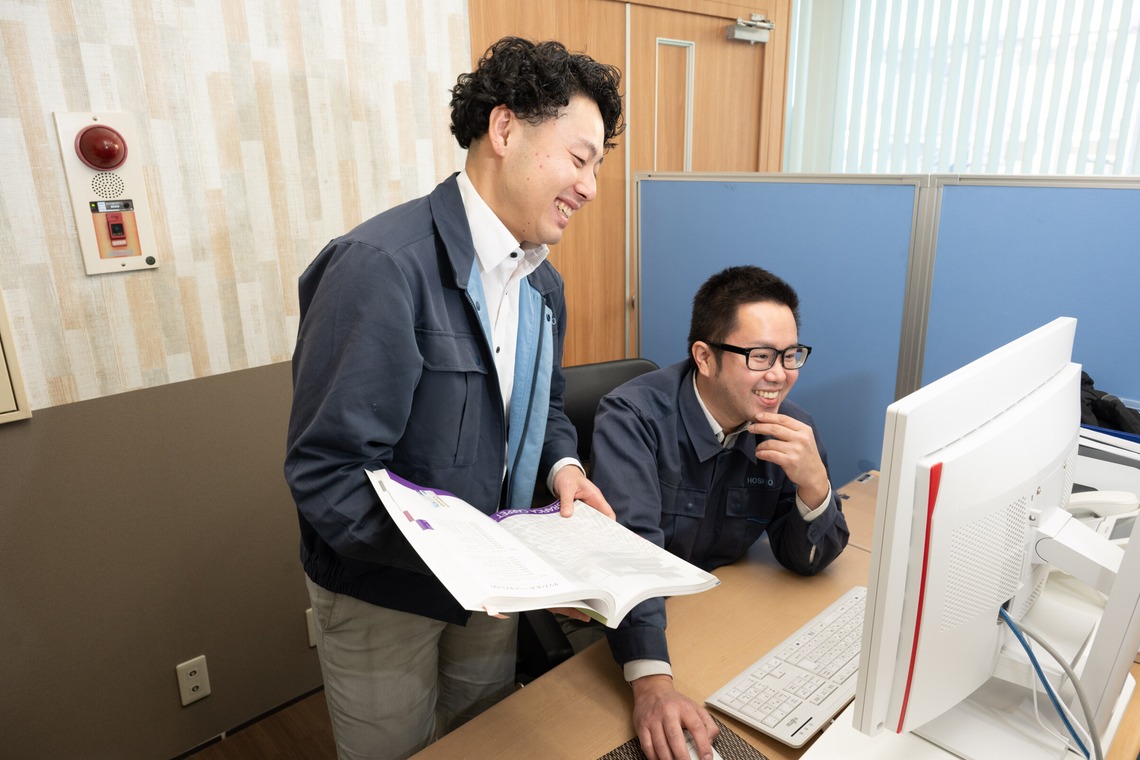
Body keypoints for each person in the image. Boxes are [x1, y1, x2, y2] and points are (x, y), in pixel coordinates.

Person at [284, 37, 624, 760]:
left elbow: (548, 407)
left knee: (485, 737)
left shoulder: (541, 283)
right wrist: (470, 563)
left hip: (494, 580)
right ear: (505, 129)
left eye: (598, 165)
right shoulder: (379, 268)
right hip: (383, 593)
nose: (591, 186)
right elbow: (327, 475)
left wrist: (565, 469)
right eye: (579, 157)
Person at [589, 265, 851, 760]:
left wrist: (816, 487)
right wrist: (651, 686)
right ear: (705, 357)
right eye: (760, 356)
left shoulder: (789, 426)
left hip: (708, 619)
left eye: (791, 354)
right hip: (630, 628)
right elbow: (631, 555)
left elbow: (804, 560)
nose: (780, 374)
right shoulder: (634, 419)